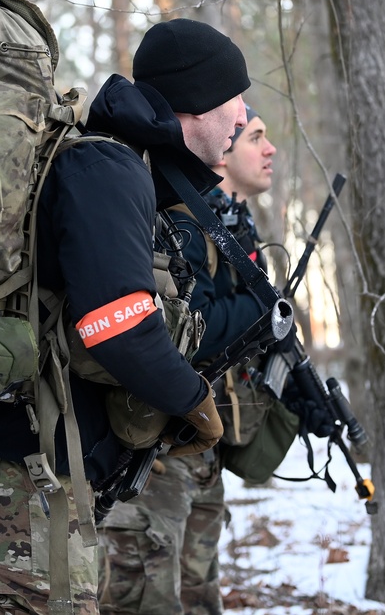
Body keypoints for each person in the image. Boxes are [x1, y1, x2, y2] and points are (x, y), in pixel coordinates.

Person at [0, 18, 251, 615]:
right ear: (196, 101)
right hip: (24, 474)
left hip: (42, 473)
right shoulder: (109, 168)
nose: (242, 115)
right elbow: (116, 326)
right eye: (234, 98)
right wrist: (192, 400)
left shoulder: (124, 165)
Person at [98, 105, 280, 615]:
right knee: (145, 599)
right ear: (222, 151)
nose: (269, 150)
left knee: (198, 595)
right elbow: (187, 331)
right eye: (255, 137)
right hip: (156, 447)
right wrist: (266, 303)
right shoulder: (181, 220)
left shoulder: (231, 223)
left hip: (200, 444)